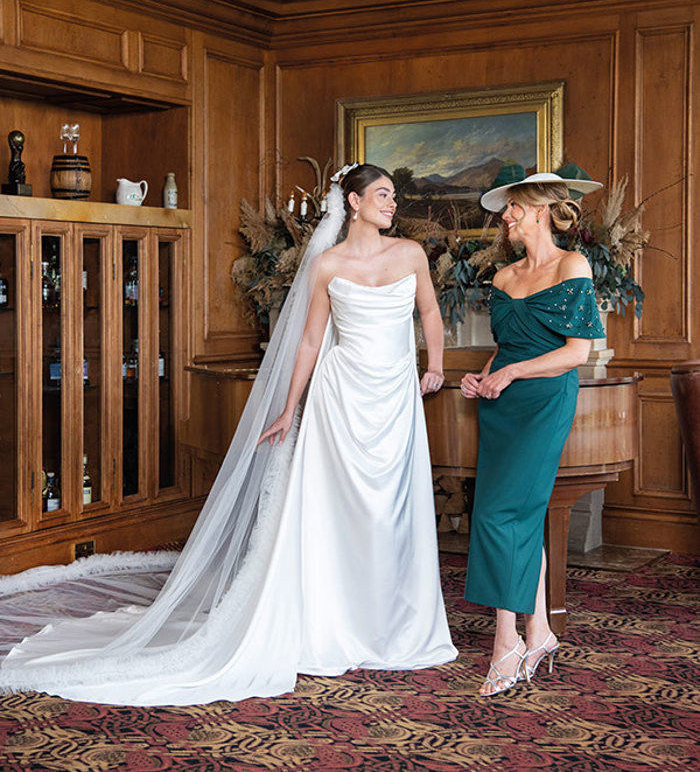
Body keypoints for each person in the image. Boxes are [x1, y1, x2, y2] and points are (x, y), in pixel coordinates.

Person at [0, 163, 456, 704]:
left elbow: (429, 311)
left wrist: (436, 364)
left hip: (395, 397)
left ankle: (395, 624)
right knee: (337, 510)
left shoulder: (409, 255)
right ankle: (335, 622)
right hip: (341, 400)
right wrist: (290, 409)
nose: (392, 203)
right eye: (382, 194)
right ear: (353, 202)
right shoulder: (327, 266)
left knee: (394, 507)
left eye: (393, 196)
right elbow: (310, 342)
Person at [460, 172, 604, 697]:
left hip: (545, 402)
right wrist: (485, 373)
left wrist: (512, 373)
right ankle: (538, 632)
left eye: (513, 208)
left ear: (540, 211)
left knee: (500, 516)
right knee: (516, 515)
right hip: (501, 405)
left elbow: (576, 352)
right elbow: (509, 347)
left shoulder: (572, 265)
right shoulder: (501, 278)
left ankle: (506, 642)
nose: (505, 217)